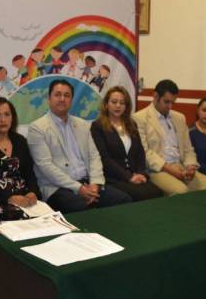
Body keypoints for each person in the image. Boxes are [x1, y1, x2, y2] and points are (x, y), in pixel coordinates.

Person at [27, 79, 133, 213]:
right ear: (49, 98)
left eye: (67, 95)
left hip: (88, 183)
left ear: (71, 100)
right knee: (84, 208)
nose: (62, 99)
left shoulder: (83, 125)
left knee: (124, 200)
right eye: (57, 95)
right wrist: (79, 188)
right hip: (58, 188)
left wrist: (95, 184)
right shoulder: (37, 128)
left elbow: (94, 156)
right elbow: (46, 167)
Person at [133, 79, 206, 195]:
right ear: (156, 96)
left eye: (173, 103)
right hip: (157, 170)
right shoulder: (139, 118)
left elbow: (188, 149)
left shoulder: (179, 118)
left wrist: (191, 166)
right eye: (166, 102)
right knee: (181, 191)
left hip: (181, 166)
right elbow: (145, 152)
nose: (170, 106)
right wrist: (169, 169)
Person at [91, 86, 164, 201]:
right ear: (106, 105)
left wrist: (140, 173)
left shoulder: (131, 124)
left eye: (122, 103)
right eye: (114, 102)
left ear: (126, 106)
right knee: (141, 196)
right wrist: (129, 177)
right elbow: (105, 159)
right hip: (114, 178)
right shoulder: (98, 126)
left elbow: (140, 152)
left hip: (136, 175)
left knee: (158, 193)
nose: (118, 106)